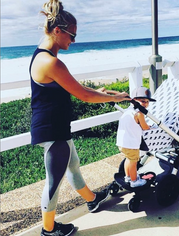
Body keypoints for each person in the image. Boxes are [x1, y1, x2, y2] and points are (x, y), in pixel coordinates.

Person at [29, 1, 130, 235]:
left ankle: (92, 199)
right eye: (71, 35)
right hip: (52, 129)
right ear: (57, 31)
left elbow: (71, 85)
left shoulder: (43, 55)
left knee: (72, 166)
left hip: (56, 125)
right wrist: (115, 99)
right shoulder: (50, 61)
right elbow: (83, 95)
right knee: (53, 182)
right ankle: (48, 229)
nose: (73, 41)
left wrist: (101, 93)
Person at [116, 86, 156, 188]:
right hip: (131, 144)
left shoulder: (128, 111)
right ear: (134, 101)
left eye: (147, 101)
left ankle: (128, 177)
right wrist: (150, 127)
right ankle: (134, 181)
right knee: (134, 162)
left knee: (128, 159)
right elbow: (145, 127)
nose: (145, 104)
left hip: (122, 142)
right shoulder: (139, 113)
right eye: (143, 101)